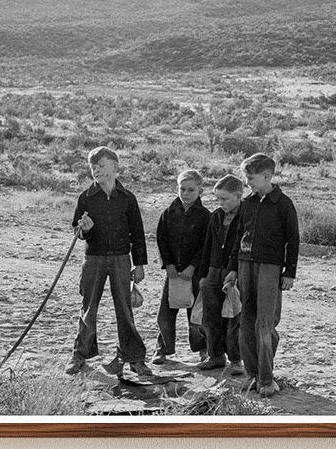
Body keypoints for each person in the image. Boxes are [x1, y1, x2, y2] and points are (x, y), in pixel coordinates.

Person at [65, 146, 151, 376]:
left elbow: (138, 233)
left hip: (122, 259)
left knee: (125, 309)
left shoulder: (128, 198)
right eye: (93, 166)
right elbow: (77, 230)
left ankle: (134, 357)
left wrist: (139, 264)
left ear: (115, 167)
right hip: (93, 259)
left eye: (101, 166)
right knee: (88, 307)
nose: (96, 170)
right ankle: (80, 355)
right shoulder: (86, 197)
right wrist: (84, 231)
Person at [225, 153, 299, 397]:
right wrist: (233, 269)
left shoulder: (284, 204)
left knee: (265, 324)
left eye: (251, 178)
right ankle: (253, 376)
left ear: (267, 176)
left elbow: (293, 240)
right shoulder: (247, 203)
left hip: (270, 268)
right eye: (246, 177)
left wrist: (289, 273)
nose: (247, 182)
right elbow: (238, 237)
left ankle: (267, 380)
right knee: (246, 323)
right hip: (245, 266)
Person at [152, 169, 210, 365]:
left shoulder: (205, 216)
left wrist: (193, 266)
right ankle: (163, 348)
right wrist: (167, 264)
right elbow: (161, 240)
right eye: (182, 189)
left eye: (191, 190)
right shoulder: (168, 213)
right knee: (166, 312)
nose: (185, 193)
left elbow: (205, 245)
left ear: (200, 191)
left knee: (196, 312)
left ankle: (203, 349)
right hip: (173, 272)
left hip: (194, 273)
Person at [198, 174, 244, 374]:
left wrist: (234, 269)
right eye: (219, 199)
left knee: (234, 317)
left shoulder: (246, 216)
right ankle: (215, 356)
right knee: (210, 316)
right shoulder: (216, 216)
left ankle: (235, 359)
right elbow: (207, 245)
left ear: (239, 196)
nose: (221, 203)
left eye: (225, 199)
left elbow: (240, 246)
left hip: (234, 271)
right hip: (214, 270)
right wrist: (203, 274)